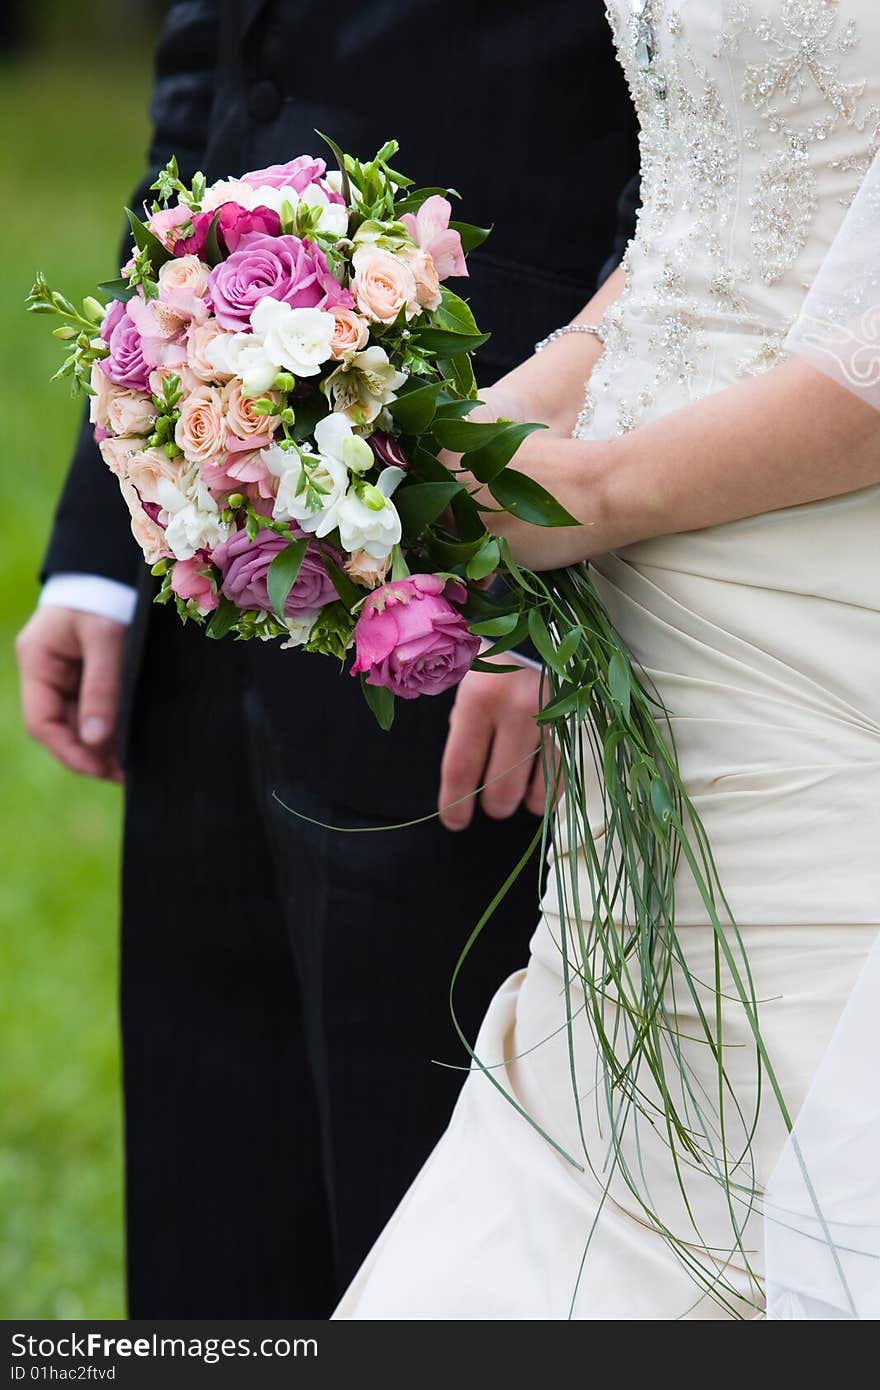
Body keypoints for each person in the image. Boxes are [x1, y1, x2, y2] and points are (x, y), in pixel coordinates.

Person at [15, 1, 639, 1316]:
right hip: (210, 559)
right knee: (215, 1214)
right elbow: (211, 85)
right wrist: (100, 534)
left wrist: (536, 570)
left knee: (413, 1217)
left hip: (466, 594)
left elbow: (675, 173)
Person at [334, 0, 880, 1321]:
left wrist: (591, 489)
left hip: (814, 581)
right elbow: (713, 218)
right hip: (657, 582)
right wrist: (433, 437)